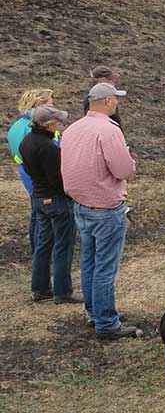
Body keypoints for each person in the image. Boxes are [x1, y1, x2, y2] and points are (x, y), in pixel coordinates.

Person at [60, 83, 141, 340]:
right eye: (115, 99)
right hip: (106, 208)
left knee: (89, 262)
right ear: (107, 101)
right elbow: (122, 170)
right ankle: (107, 323)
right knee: (105, 267)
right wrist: (131, 162)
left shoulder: (72, 128)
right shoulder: (108, 130)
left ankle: (95, 312)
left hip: (81, 206)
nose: (117, 103)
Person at [20, 105, 82, 304]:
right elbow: (58, 179)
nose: (60, 125)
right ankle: (62, 292)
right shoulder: (48, 147)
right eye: (56, 122)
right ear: (47, 125)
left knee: (43, 245)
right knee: (63, 246)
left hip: (39, 198)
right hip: (56, 200)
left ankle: (40, 289)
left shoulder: (26, 141)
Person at [7, 89, 55, 256]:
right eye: (50, 104)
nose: (53, 107)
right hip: (40, 174)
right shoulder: (34, 128)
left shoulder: (16, 126)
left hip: (25, 171)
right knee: (44, 215)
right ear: (38, 105)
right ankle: (42, 254)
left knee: (36, 211)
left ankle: (38, 252)